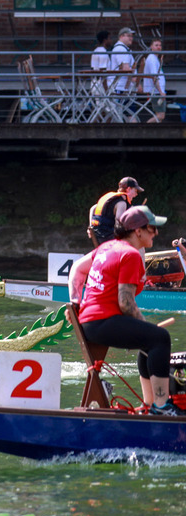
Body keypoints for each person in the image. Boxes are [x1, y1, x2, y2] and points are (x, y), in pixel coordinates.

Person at [68, 205, 184, 417]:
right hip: (103, 321)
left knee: (149, 340)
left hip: (90, 322)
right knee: (160, 338)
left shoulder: (107, 247)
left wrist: (75, 304)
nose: (156, 233)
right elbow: (125, 302)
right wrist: (145, 324)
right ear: (137, 231)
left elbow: (77, 269)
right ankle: (162, 406)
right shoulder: (130, 255)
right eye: (152, 228)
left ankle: (151, 405)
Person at [88, 176, 143, 247]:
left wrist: (90, 227)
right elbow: (119, 227)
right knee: (139, 242)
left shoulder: (111, 199)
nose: (136, 194)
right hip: (108, 239)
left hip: (98, 236)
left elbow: (93, 208)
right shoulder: (122, 203)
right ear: (128, 189)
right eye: (135, 191)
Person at [142, 38, 166, 123]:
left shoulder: (155, 58)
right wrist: (160, 92)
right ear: (151, 46)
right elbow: (154, 77)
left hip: (157, 91)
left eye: (160, 45)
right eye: (156, 45)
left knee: (159, 116)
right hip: (156, 91)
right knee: (160, 116)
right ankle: (145, 127)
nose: (159, 47)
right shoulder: (152, 59)